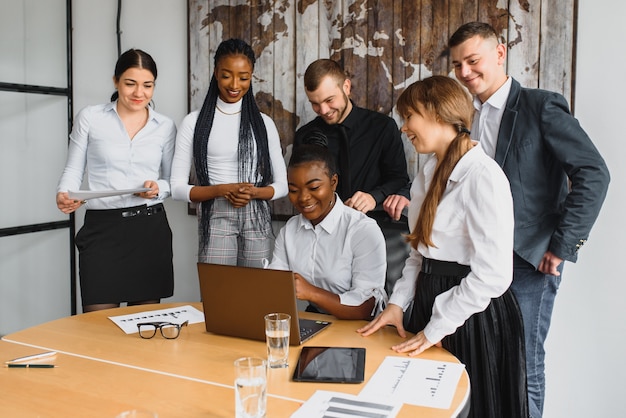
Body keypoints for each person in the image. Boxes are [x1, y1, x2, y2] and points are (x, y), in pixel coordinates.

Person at [448, 22, 610, 418]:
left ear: (500, 53)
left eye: (473, 61)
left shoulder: (542, 105)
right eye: (457, 66)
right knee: (485, 359)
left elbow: (593, 172)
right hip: (477, 261)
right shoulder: (467, 116)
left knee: (524, 363)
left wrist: (561, 246)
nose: (465, 73)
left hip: (528, 261)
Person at [358, 76, 528, 417]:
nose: (404, 127)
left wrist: (437, 325)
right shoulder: (427, 172)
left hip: (472, 315)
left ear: (437, 113)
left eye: (410, 116)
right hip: (429, 301)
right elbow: (420, 255)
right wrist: (397, 304)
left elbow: (493, 276)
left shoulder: (484, 176)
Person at [56, 49, 176, 313]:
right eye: (130, 83)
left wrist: (158, 189)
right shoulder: (91, 117)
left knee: (143, 327)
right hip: (102, 231)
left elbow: (171, 181)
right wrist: (64, 193)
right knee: (97, 329)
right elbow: (73, 169)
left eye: (147, 85)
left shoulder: (165, 126)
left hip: (149, 230)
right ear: (116, 81)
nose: (139, 93)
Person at [294, 58, 411, 294]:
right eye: (315, 104)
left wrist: (373, 197)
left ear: (346, 87)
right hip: (326, 237)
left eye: (329, 100)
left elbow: (400, 179)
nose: (323, 110)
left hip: (378, 231)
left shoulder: (383, 127)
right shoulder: (305, 136)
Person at [170, 39, 287, 267]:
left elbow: (282, 185)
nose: (235, 84)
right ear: (215, 73)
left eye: (243, 78)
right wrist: (222, 190)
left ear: (251, 76)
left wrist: (254, 193)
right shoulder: (193, 123)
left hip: (256, 214)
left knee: (255, 294)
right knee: (219, 294)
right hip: (215, 214)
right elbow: (176, 188)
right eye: (226, 75)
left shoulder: (264, 124)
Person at [269, 142, 387, 320]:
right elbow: (276, 285)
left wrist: (311, 293)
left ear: (333, 182)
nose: (303, 197)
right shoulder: (290, 231)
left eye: (314, 187)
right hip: (319, 321)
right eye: (294, 190)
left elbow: (365, 308)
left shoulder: (362, 230)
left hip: (363, 326)